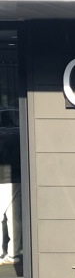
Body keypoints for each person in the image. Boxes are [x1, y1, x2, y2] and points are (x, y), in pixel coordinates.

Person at [0, 109, 21, 265]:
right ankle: (13, 254)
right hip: (19, 178)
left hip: (2, 179)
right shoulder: (20, 133)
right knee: (14, 218)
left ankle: (1, 253)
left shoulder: (2, 134)